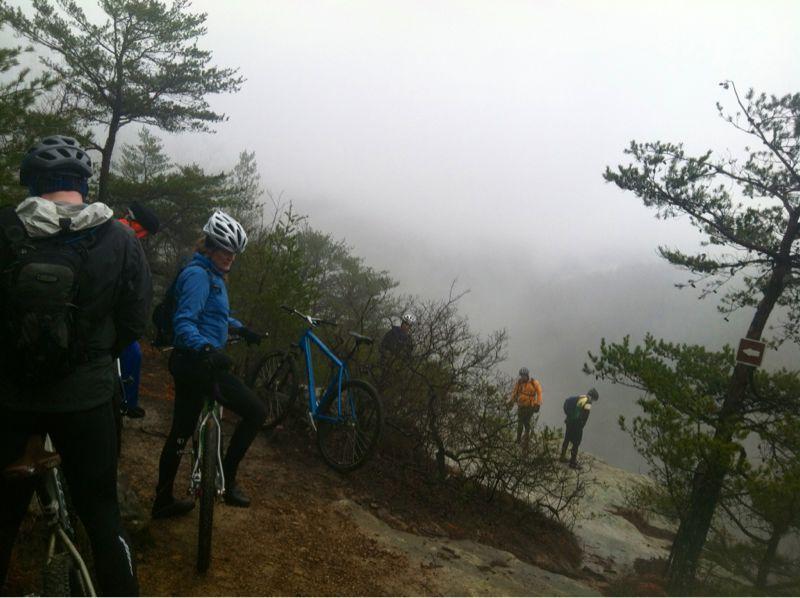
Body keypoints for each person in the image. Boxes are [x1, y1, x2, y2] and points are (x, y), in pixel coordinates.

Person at [0, 135, 149, 595]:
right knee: (103, 516)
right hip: (86, 401)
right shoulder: (121, 239)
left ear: (33, 183)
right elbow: (134, 322)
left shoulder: (5, 227)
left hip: (10, 400)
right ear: (82, 185)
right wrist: (92, 356)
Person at [152, 210, 266, 518]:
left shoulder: (210, 274)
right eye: (226, 250)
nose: (230, 257)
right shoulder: (199, 276)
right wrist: (205, 347)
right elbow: (185, 321)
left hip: (192, 362)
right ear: (211, 246)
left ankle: (162, 501)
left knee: (181, 429)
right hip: (198, 362)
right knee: (256, 411)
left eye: (234, 252)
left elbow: (214, 315)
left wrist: (241, 328)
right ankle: (227, 481)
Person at [118, 202, 161, 419]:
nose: (143, 236)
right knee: (132, 353)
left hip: (117, 312)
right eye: (143, 231)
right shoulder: (120, 235)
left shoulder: (126, 237)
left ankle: (128, 401)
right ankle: (126, 402)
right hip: (108, 314)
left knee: (132, 353)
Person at [560, 388, 599, 469]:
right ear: (594, 397)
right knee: (576, 443)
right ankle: (572, 462)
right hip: (576, 424)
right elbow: (585, 415)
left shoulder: (581, 397)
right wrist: (581, 425)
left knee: (567, 439)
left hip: (569, 421)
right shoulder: (588, 402)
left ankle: (562, 457)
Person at [507, 367, 543, 448]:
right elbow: (514, 392)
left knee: (526, 423)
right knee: (520, 423)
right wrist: (511, 402)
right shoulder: (519, 383)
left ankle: (526, 440)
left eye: (524, 376)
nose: (523, 377)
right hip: (521, 406)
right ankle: (518, 439)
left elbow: (539, 393)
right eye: (521, 376)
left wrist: (538, 404)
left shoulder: (534, 382)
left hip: (530, 406)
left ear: (527, 375)